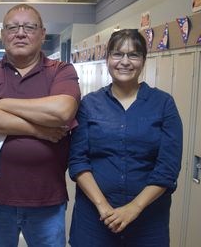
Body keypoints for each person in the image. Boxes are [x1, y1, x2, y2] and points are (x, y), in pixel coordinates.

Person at [0, 4, 81, 247]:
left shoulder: (61, 71)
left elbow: (61, 111)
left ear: (43, 33)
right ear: (3, 34)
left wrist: (3, 103)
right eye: (12, 27)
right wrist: (38, 130)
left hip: (47, 202)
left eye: (29, 27)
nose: (20, 33)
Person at [68, 29, 183, 247]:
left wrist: (134, 208)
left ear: (143, 60)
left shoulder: (163, 104)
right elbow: (78, 161)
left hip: (148, 221)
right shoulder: (89, 105)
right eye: (118, 54)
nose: (125, 62)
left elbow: (167, 167)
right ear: (107, 59)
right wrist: (103, 207)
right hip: (94, 219)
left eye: (134, 55)